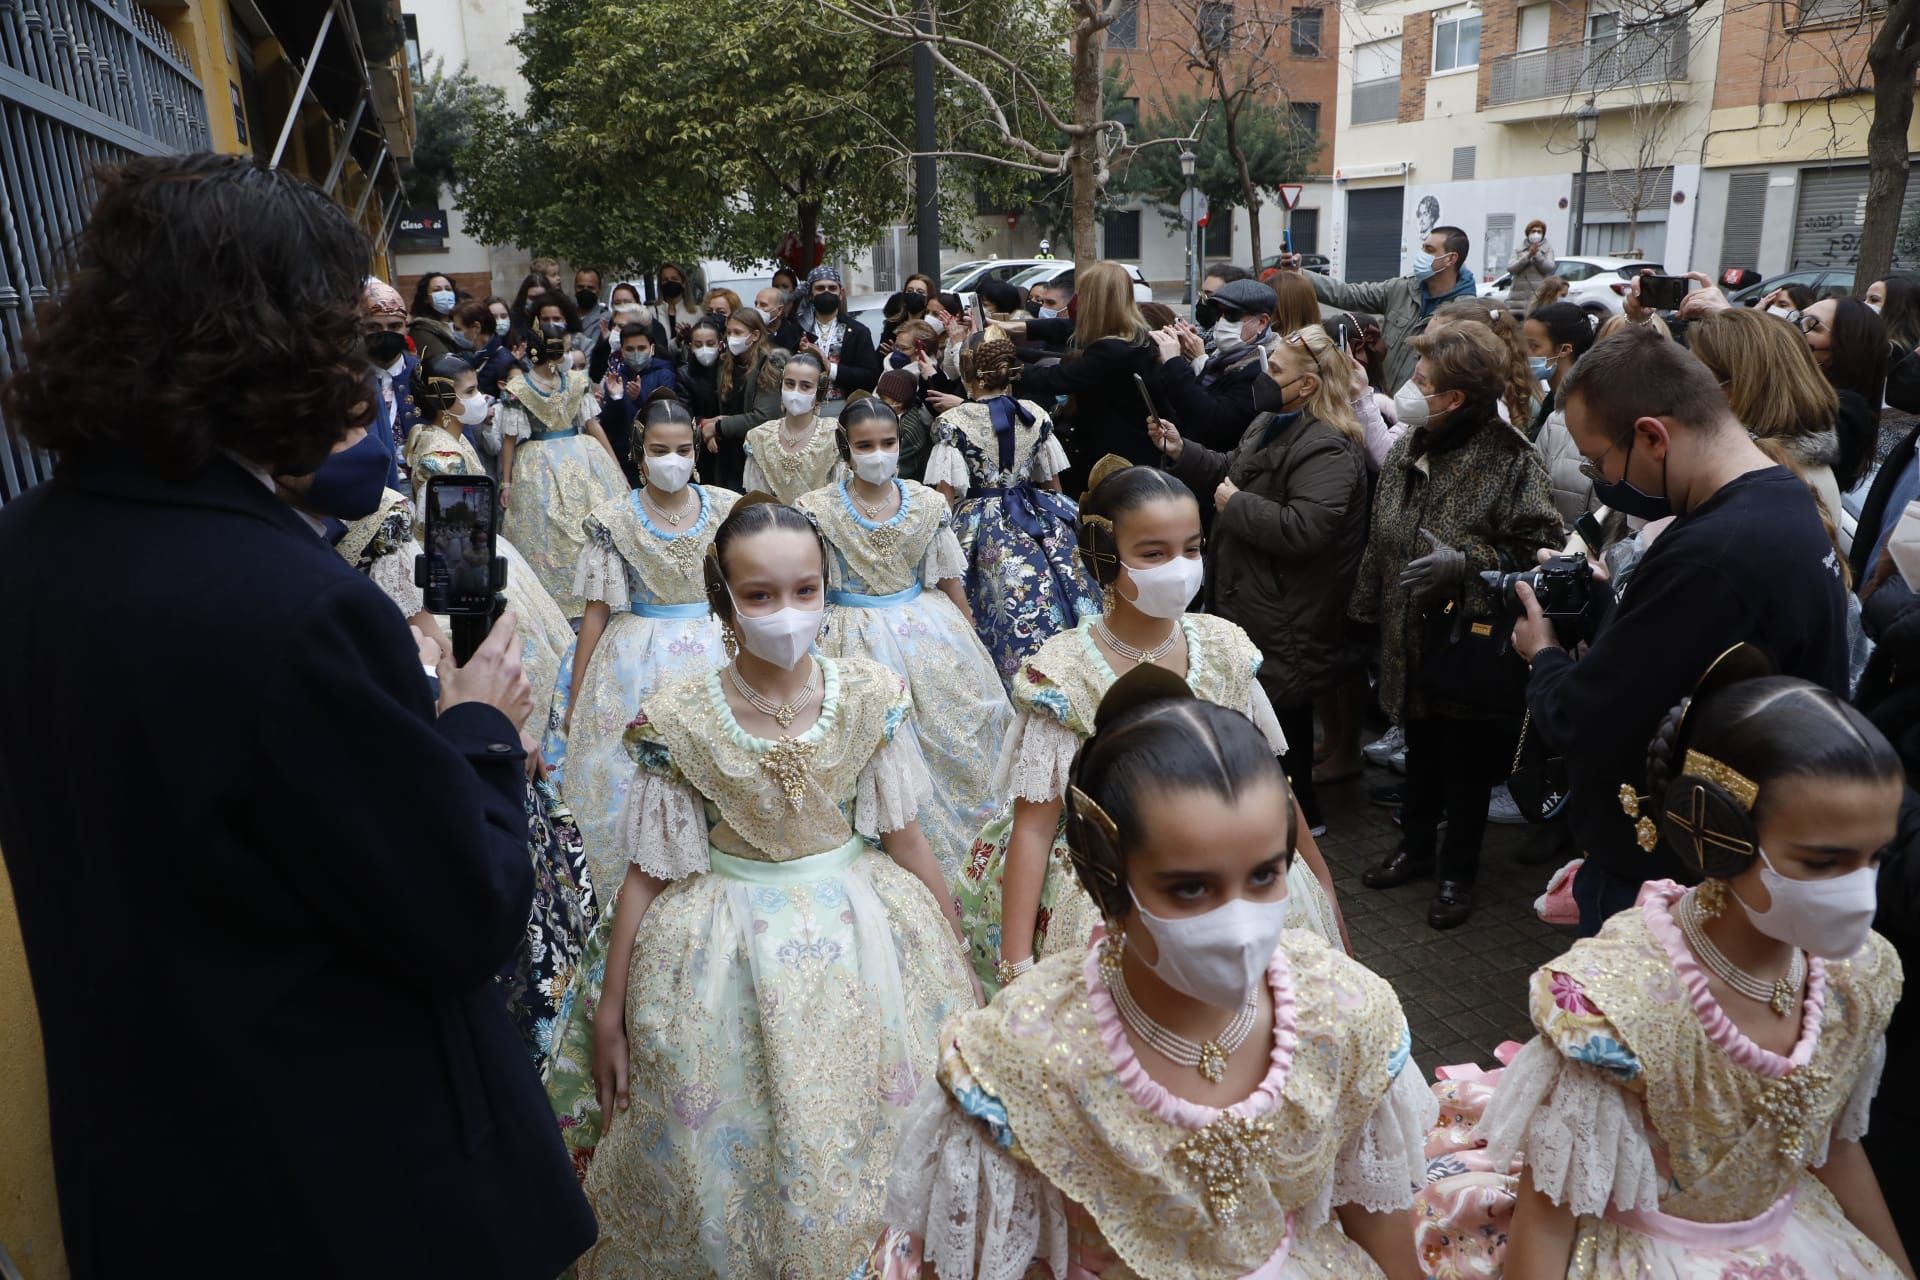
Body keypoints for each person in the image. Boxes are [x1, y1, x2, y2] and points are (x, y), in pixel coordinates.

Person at [0, 151, 594, 1277]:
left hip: (145, 1175)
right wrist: (475, 727)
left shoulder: (27, 544)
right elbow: (460, 911)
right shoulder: (294, 605)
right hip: (340, 1185)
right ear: (277, 344)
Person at [872, 671, 1434, 1280]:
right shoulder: (1023, 1058)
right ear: (1107, 875)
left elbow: (1377, 1224)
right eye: (1191, 888)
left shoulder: (1342, 1011)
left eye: (1264, 876)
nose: (1240, 924)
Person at [570, 499, 976, 1276]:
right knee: (736, 1149)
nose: (787, 614)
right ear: (722, 597)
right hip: (723, 951)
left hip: (870, 943)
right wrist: (612, 1010)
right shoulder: (680, 713)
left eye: (806, 591)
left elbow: (909, 840)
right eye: (759, 595)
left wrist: (959, 960)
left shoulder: (868, 694)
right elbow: (650, 871)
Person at [1479, 660, 1911, 1279]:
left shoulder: (1857, 975)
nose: (1860, 892)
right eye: (1824, 862)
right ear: (1721, 837)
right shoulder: (1622, 1004)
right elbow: (1549, 1217)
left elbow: (1832, 1144)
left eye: (1876, 857)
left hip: (1803, 1237)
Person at [956, 458, 1346, 997]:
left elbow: (1270, 782)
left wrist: (1320, 882)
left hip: (1237, 868)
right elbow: (1035, 825)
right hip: (1107, 889)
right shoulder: (1065, 672)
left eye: (1191, 549)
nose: (1179, 568)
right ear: (1103, 555)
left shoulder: (1226, 648)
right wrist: (1018, 968)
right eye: (1153, 553)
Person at [1511, 325, 1850, 936]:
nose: (1599, 478)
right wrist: (1599, 599)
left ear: (1651, 436)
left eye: (1599, 460)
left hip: (1672, 883)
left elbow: (1590, 718)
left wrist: (1544, 656)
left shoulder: (1712, 554)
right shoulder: (1779, 499)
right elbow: (1676, 663)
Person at [1352, 323, 1561, 930]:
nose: (1410, 390)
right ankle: (1415, 848)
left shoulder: (1509, 456)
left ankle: (1456, 874)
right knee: (1420, 749)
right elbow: (1381, 534)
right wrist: (1366, 609)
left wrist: (1467, 566)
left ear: (1457, 397)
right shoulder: (1411, 441)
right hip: (1406, 628)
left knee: (1466, 764)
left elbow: (1542, 550)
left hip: (1467, 639)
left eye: (1423, 382)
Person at [1154, 324, 1372, 835]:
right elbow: (1233, 468)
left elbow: (1305, 528)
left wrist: (1235, 505)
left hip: (1288, 602)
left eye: (1275, 370)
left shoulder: (1329, 447)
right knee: (1263, 705)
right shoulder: (1271, 420)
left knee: (1285, 711)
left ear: (1308, 386)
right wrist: (1180, 450)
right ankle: (1264, 805)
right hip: (1255, 592)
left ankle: (1303, 821)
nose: (1264, 377)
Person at [796, 398, 1011, 890]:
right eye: (865, 445)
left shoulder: (928, 503)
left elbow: (946, 575)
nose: (877, 454)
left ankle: (971, 868)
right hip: (849, 635)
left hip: (929, 632)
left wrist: (968, 631)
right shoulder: (816, 508)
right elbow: (810, 582)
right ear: (845, 449)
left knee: (953, 735)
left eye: (888, 443)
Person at [550, 397, 738, 891]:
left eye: (681, 449)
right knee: (630, 778)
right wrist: (576, 693)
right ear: (639, 453)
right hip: (635, 661)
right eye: (659, 449)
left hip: (717, 646)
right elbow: (596, 612)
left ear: (695, 451)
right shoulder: (613, 520)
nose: (671, 460)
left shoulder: (725, 506)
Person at [925, 335, 1099, 686]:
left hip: (978, 522)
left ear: (969, 372)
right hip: (1038, 514)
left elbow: (946, 498)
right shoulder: (1036, 413)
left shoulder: (954, 422)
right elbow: (1053, 486)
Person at [496, 321, 629, 616]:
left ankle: (601, 594)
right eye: (563, 348)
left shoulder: (576, 381)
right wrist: (506, 483)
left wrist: (615, 467)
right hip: (540, 463)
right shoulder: (518, 389)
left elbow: (592, 424)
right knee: (548, 531)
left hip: (582, 456)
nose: (567, 354)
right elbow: (508, 439)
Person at [1689, 306, 1850, 550]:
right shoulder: (1779, 468)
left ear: (1737, 389)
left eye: (1693, 375)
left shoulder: (1768, 485)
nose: (1682, 388)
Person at [1005, 261, 1160, 483]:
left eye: (1083, 293)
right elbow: (1065, 328)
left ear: (1095, 300)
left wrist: (1007, 368)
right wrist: (1017, 327)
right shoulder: (1135, 336)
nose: (1077, 301)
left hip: (1117, 462)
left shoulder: (1112, 350)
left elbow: (1057, 378)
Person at [1298, 225, 1480, 393]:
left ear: (1450, 259)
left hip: (1417, 414)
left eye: (1429, 250)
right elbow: (1349, 294)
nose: (1421, 254)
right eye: (1423, 247)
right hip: (1380, 403)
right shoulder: (1402, 289)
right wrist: (1300, 274)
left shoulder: (1465, 313)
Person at [1146, 277, 1281, 449]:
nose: (1222, 322)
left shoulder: (1265, 366)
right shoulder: (1221, 358)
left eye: (1232, 315)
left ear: (1262, 322)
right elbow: (1194, 403)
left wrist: (1174, 364)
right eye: (1219, 314)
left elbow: (1215, 422)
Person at [1798, 295, 1887, 494]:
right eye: (1798, 318)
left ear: (1843, 348)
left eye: (1812, 325)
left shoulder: (1846, 411)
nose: (1796, 329)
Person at [1522, 301, 1600, 525]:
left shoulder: (1584, 410)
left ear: (1565, 349)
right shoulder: (1550, 402)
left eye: (1533, 346)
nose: (1524, 354)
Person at [739, 350, 840, 505]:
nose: (795, 392)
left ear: (819, 391)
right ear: (781, 385)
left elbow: (836, 499)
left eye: (805, 386)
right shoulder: (760, 436)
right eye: (790, 384)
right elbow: (758, 501)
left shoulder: (834, 435)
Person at [701, 308, 783, 491]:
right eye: (729, 332)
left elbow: (764, 416)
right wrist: (712, 431)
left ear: (755, 335)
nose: (732, 338)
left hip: (756, 458)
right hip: (728, 456)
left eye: (738, 333)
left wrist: (718, 427)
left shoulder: (769, 365)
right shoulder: (726, 363)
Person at [598, 321, 685, 487]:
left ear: (651, 349)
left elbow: (667, 416)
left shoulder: (664, 374)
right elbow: (609, 424)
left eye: (641, 348)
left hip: (658, 456)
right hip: (625, 456)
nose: (636, 353)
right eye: (630, 349)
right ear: (621, 351)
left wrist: (639, 398)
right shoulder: (615, 377)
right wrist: (615, 398)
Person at [796, 264, 881, 401]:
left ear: (841, 294)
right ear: (810, 294)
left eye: (832, 288)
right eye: (820, 288)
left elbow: (870, 376)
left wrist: (831, 369)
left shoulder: (859, 331)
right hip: (804, 406)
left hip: (845, 409)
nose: (826, 292)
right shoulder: (798, 330)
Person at [363, 276, 418, 487]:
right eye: (374, 327)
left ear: (406, 327)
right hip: (372, 489)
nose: (385, 334)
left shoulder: (429, 375)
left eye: (394, 326)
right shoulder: (347, 381)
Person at [874, 368, 934, 482]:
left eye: (882, 399)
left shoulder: (909, 430)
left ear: (898, 402)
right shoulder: (891, 417)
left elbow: (898, 472)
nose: (877, 402)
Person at [408, 271, 464, 364]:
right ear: (426, 298)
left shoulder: (461, 323)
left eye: (448, 289)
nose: (444, 294)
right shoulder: (421, 330)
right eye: (437, 290)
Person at [1506, 219, 1557, 313]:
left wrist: (1537, 254)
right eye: (1533, 231)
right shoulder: (1519, 249)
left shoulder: (1548, 249)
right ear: (1528, 233)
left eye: (1539, 232)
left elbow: (1549, 268)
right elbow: (1511, 268)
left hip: (1538, 297)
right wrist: (1528, 256)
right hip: (1518, 300)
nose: (1536, 234)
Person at [656, 261, 702, 352]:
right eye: (665, 280)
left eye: (674, 279)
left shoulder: (698, 312)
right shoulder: (652, 312)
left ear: (683, 283)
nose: (670, 282)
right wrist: (677, 340)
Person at [757, 283, 801, 349]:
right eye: (756, 304)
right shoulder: (752, 332)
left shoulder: (796, 336)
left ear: (780, 310)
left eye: (763, 305)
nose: (757, 308)